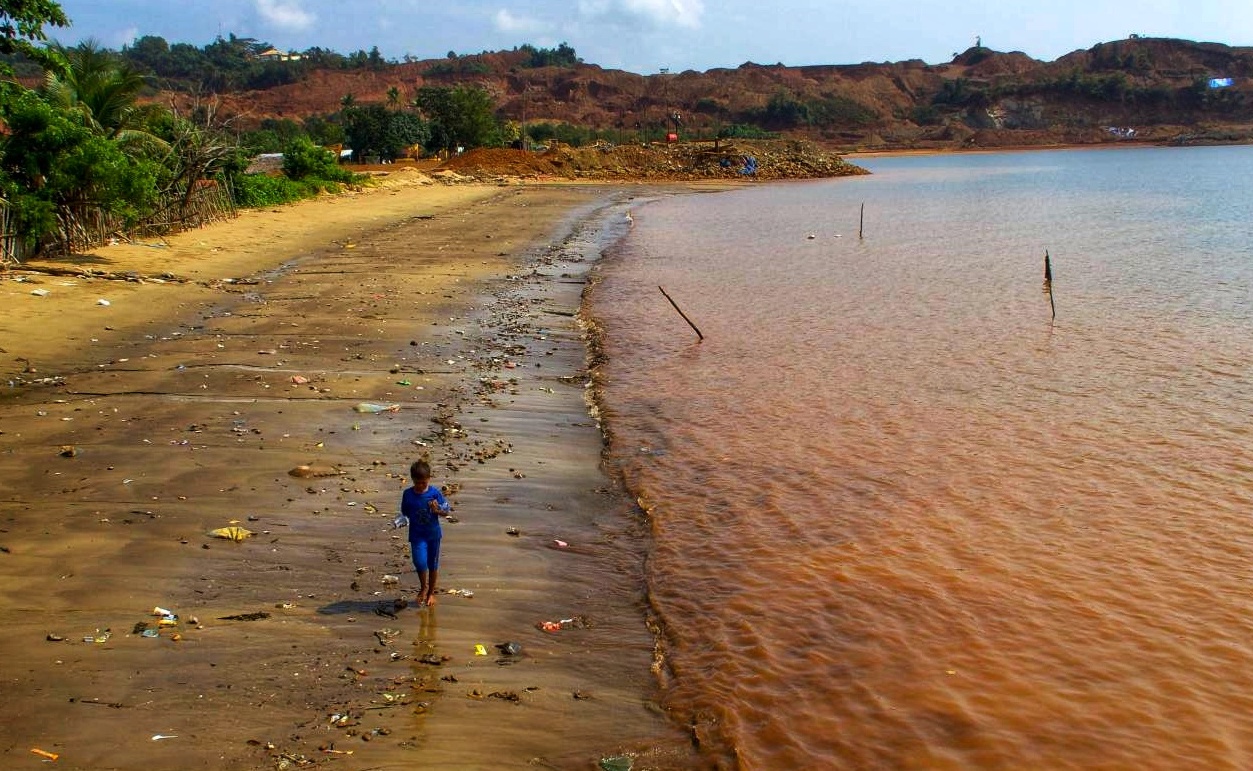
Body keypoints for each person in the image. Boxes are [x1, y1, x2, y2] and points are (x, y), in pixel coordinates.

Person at [396, 459, 451, 607]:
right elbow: (405, 512)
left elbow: (446, 511)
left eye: (423, 483)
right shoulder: (408, 494)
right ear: (412, 479)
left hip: (433, 535)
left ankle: (431, 593)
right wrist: (401, 520)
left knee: (433, 564)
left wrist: (436, 509)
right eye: (417, 483)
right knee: (419, 562)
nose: (420, 486)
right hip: (417, 535)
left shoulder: (434, 493)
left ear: (429, 479)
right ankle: (423, 587)